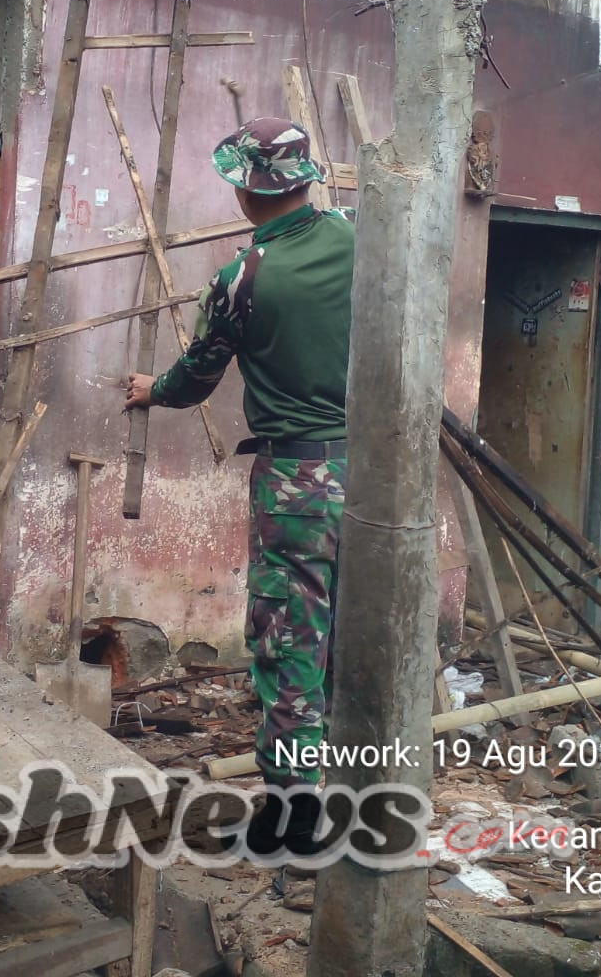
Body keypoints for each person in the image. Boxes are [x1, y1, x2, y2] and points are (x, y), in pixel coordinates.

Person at [125, 118, 353, 856]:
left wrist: (151, 390)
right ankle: (360, 792)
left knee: (289, 639)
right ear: (306, 179)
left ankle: (293, 818)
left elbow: (196, 379)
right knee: (359, 630)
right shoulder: (360, 239)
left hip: (297, 480)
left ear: (246, 192)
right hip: (380, 476)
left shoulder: (241, 279)